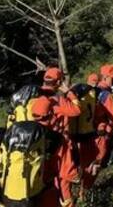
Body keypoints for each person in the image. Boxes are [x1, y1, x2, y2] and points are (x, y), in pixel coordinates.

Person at [36, 67, 82, 207]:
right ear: (58, 82)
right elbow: (76, 110)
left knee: (45, 180)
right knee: (63, 178)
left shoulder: (35, 96)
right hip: (59, 143)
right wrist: (69, 92)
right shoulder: (58, 99)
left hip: (39, 144)